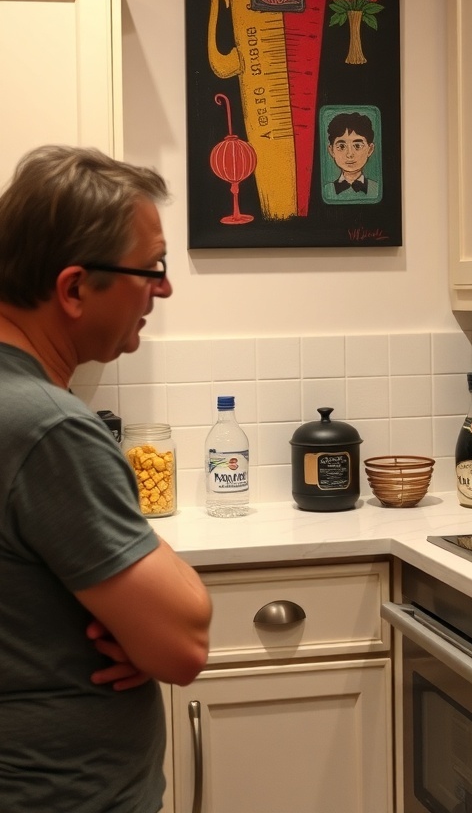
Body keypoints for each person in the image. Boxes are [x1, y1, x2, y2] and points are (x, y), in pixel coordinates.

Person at [0, 145, 212, 813]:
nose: (163, 290)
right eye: (151, 269)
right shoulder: (48, 429)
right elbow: (183, 644)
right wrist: (151, 626)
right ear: (73, 289)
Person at [323, 111, 380, 201]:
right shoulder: (326, 191)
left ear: (370, 149)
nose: (349, 154)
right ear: (331, 150)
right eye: (341, 146)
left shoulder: (377, 190)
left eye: (357, 146)